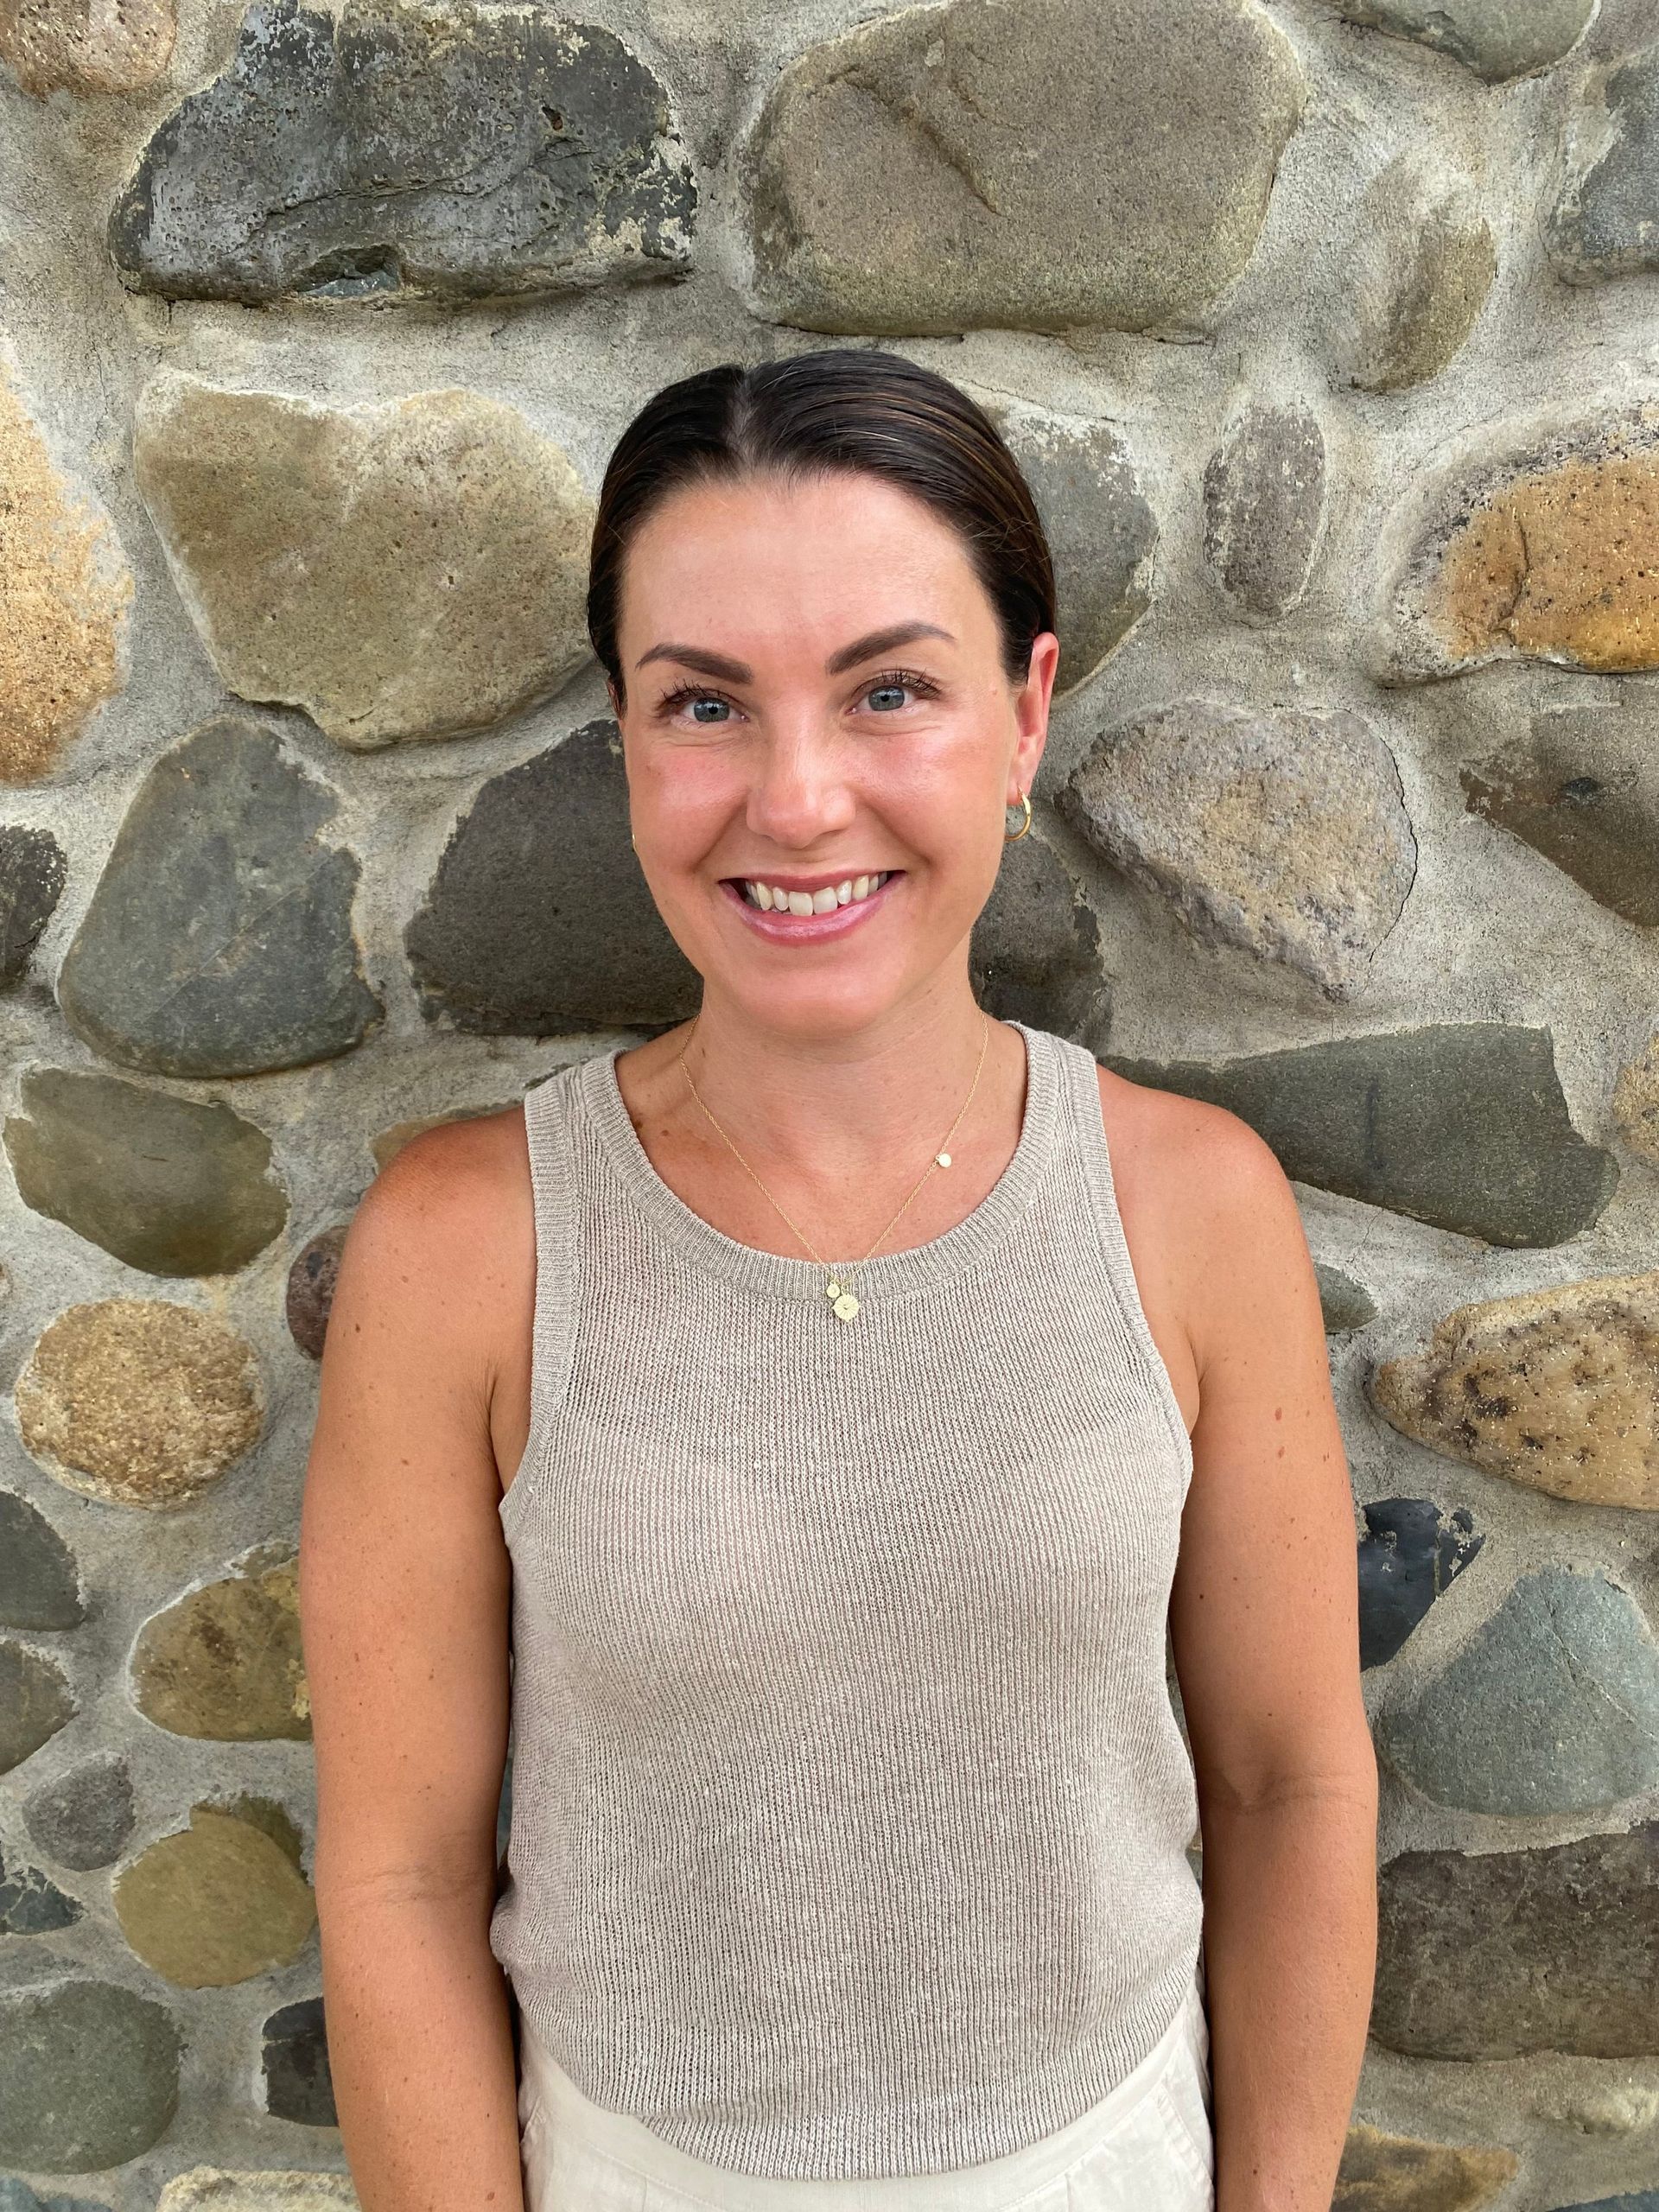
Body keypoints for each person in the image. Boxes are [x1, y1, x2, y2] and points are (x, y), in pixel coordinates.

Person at [299, 349, 1377, 2212]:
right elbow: (397, 1872)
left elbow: (1293, 1781)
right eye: (705, 702)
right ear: (629, 738)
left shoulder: (1195, 1211)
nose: (797, 800)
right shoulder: (468, 1249)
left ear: (1027, 710)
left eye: (890, 689)